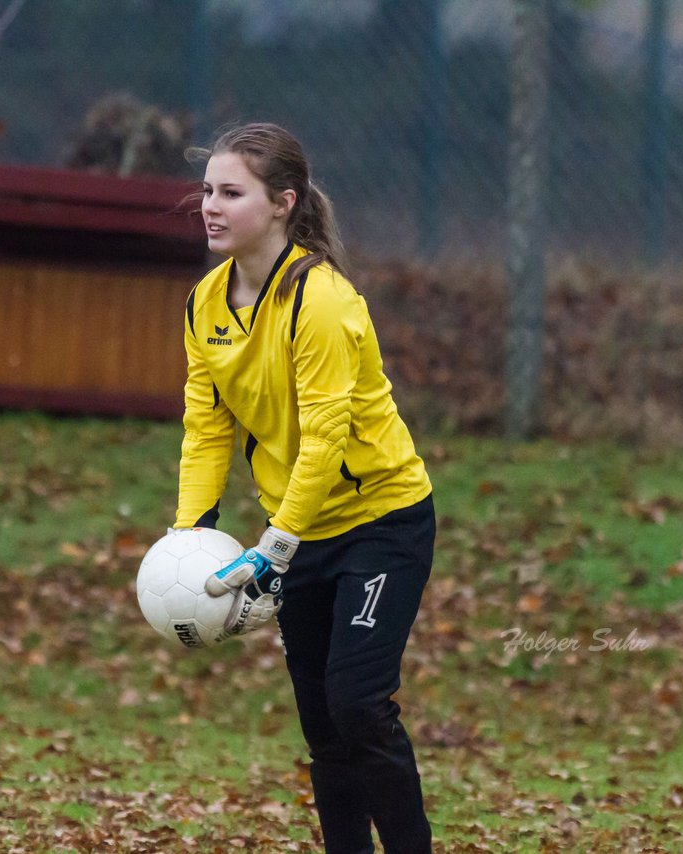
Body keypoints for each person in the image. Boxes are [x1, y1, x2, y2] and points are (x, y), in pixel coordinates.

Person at [172, 122, 436, 853]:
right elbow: (206, 429)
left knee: (357, 704)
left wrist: (274, 546)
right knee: (322, 721)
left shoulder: (321, 300)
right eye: (206, 191)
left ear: (283, 203)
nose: (210, 207)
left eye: (231, 192)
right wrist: (189, 534)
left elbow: (324, 440)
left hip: (380, 522)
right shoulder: (205, 304)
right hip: (298, 535)